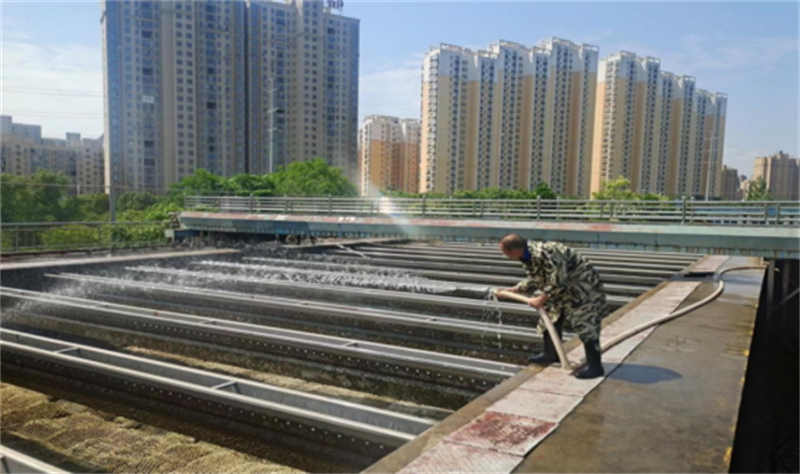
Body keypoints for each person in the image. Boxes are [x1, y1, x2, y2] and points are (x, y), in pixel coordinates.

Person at [498, 234, 608, 379]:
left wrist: (541, 299)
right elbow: (537, 277)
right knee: (550, 317)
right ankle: (551, 354)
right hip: (562, 289)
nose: (505, 256)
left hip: (583, 288)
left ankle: (595, 366)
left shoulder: (546, 253)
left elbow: (558, 280)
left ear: (514, 250)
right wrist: (517, 289)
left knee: (585, 323)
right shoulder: (527, 256)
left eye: (505, 253)